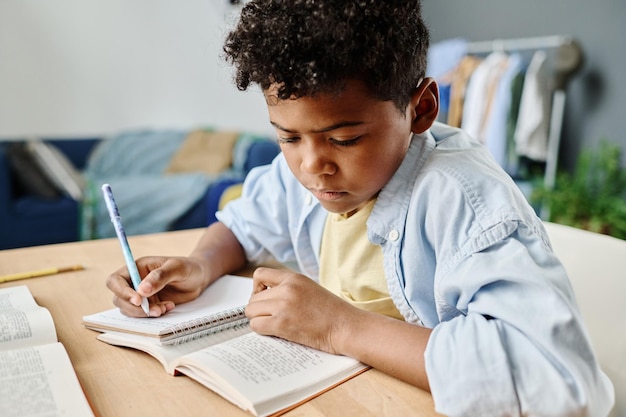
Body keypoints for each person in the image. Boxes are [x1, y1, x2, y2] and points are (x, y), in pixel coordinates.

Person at [106, 1, 614, 415]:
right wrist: (200, 265)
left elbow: (560, 384)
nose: (311, 166)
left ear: (422, 109)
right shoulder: (308, 171)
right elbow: (245, 222)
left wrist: (338, 326)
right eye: (288, 137)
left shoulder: (463, 200)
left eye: (344, 139)